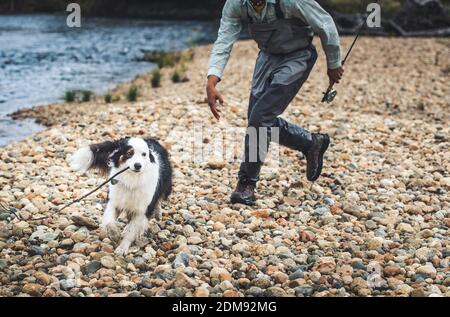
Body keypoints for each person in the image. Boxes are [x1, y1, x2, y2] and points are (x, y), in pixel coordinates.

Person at [206, 0, 344, 205]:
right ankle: (311, 143)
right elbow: (224, 39)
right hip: (267, 58)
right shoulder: (236, 4)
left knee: (260, 119)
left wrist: (333, 64)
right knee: (258, 120)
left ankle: (246, 185)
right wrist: (212, 80)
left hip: (299, 56)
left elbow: (325, 26)